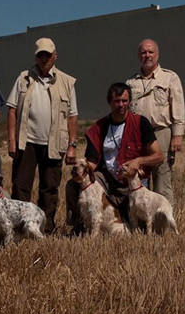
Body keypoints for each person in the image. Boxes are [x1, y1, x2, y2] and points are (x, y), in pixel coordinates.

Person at [65, 83, 164, 234]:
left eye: (124, 101)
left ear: (129, 101)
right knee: (72, 185)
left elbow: (159, 156)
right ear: (109, 103)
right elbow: (91, 161)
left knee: (138, 231)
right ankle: (81, 225)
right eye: (117, 101)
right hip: (106, 181)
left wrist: (139, 161)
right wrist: (79, 170)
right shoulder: (99, 127)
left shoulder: (140, 122)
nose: (121, 105)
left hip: (131, 185)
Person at [6, 37, 78, 234]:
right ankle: (20, 229)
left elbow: (72, 116)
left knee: (50, 188)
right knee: (21, 186)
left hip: (53, 143)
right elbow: (11, 110)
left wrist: (72, 145)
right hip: (26, 142)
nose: (44, 59)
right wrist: (12, 141)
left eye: (48, 55)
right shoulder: (23, 78)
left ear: (55, 55)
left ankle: (45, 228)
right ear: (36, 57)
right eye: (40, 55)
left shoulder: (66, 82)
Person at [126, 39, 185, 206]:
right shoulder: (131, 83)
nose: (147, 55)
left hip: (161, 132)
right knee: (139, 182)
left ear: (157, 54)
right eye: (144, 52)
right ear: (139, 56)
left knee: (162, 181)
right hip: (139, 136)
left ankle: (164, 228)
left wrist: (177, 135)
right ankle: (143, 228)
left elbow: (179, 108)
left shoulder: (170, 78)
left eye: (151, 52)